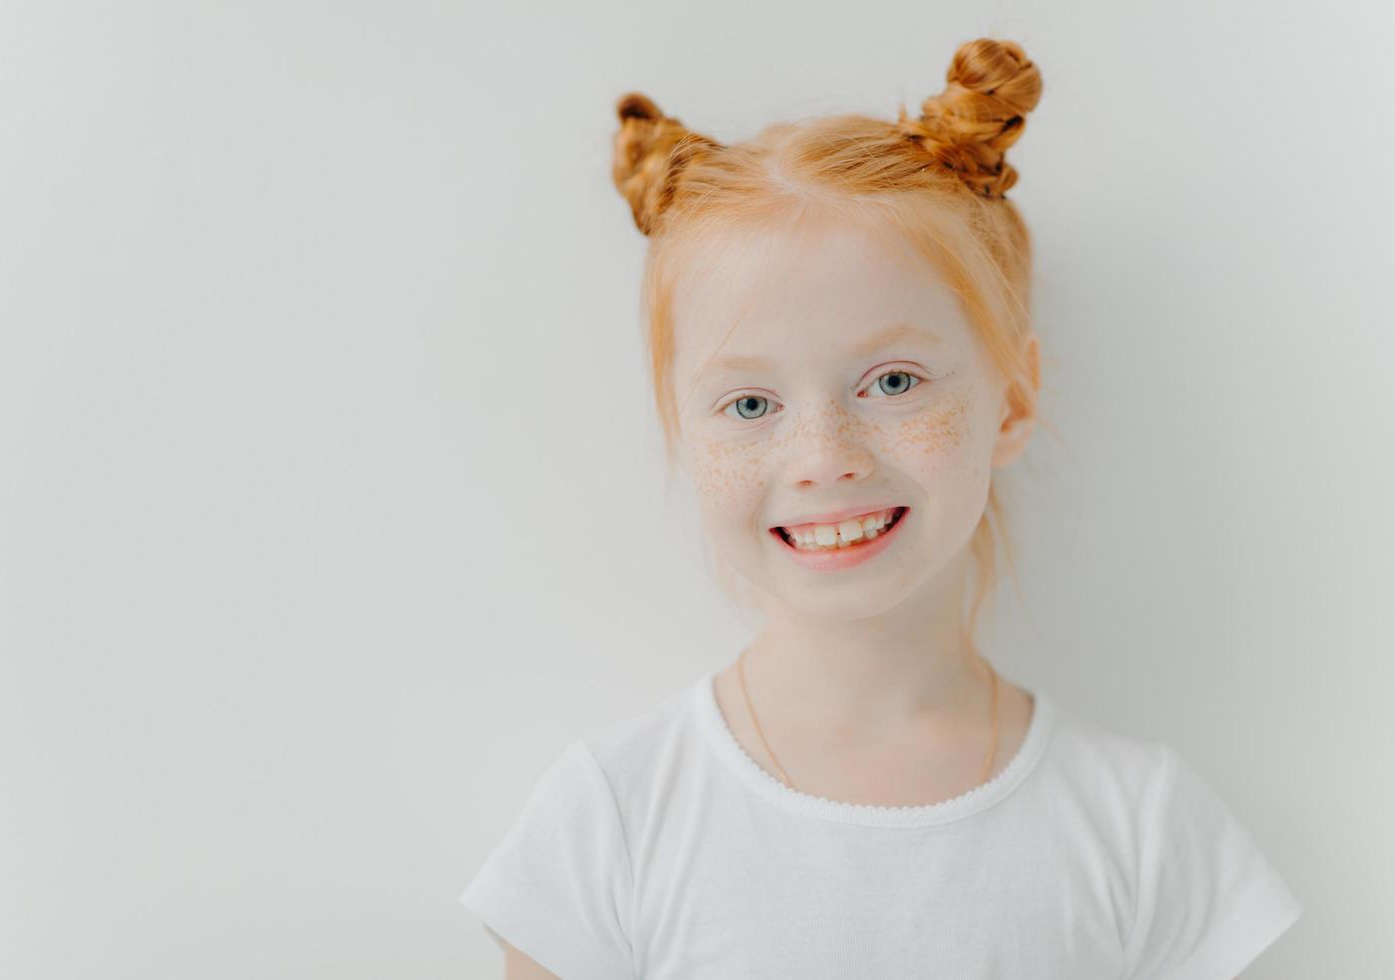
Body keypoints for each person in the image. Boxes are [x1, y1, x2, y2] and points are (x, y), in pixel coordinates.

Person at [458, 37, 1302, 979]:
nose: (824, 459)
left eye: (893, 381)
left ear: (1012, 401)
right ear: (682, 433)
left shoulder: (1145, 833)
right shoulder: (608, 822)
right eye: (749, 404)